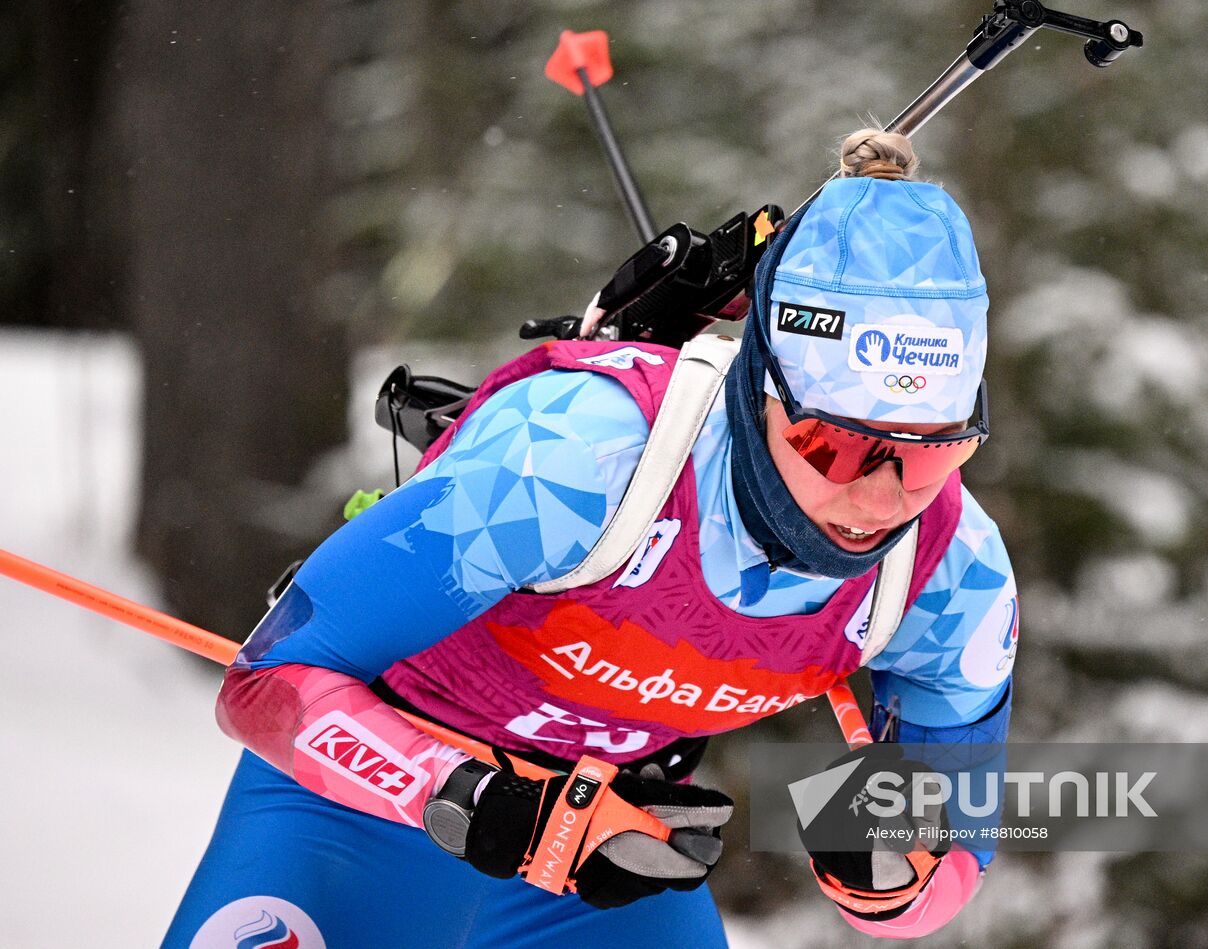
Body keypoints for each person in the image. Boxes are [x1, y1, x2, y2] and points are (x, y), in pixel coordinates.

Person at [162, 128, 1017, 948]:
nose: (881, 496)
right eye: (832, 444)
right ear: (763, 384)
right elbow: (267, 680)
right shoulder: (576, 455)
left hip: (601, 869)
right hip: (356, 819)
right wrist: (486, 804)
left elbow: (950, 864)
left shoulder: (952, 572)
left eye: (935, 452)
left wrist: (893, 871)